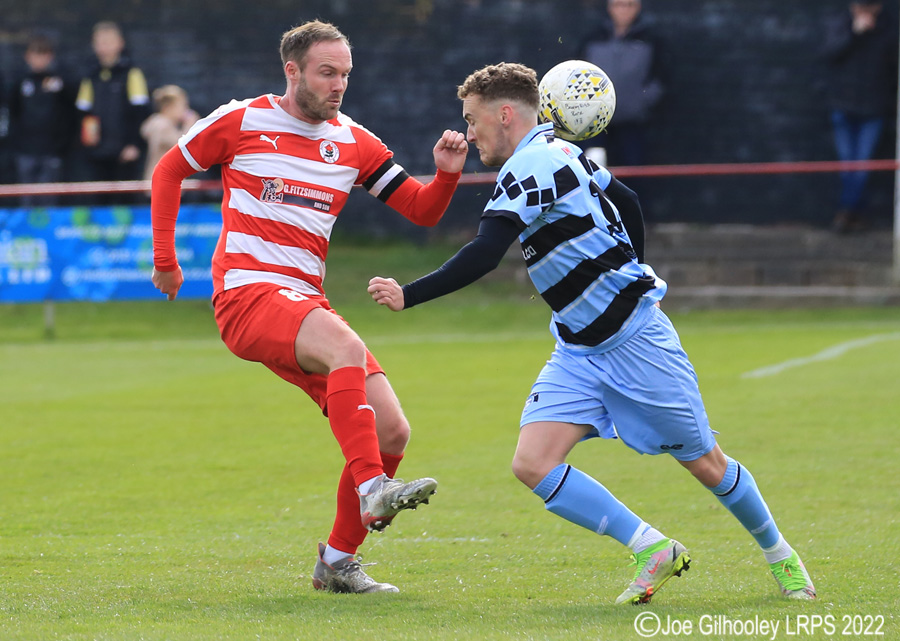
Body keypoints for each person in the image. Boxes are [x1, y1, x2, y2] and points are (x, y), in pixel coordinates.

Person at [368, 62, 816, 604]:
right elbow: (627, 202)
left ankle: (781, 557)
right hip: (578, 350)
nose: (468, 132)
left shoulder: (529, 166)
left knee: (706, 463)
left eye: (471, 119)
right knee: (532, 463)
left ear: (504, 114)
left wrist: (407, 294)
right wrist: (633, 268)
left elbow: (486, 253)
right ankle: (652, 548)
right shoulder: (564, 153)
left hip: (636, 343)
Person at [150, 20, 468, 594]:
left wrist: (446, 175)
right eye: (327, 72)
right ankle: (372, 487)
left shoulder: (355, 141)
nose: (339, 84)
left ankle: (338, 562)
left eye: (346, 73)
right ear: (292, 71)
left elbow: (420, 211)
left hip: (304, 300)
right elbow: (170, 169)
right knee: (346, 349)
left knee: (393, 430)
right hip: (247, 293)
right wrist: (166, 260)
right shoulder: (242, 119)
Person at [822, 1, 898, 233]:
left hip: (873, 109)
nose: (864, 12)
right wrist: (855, 34)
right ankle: (852, 214)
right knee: (848, 166)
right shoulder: (841, 23)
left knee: (862, 166)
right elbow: (829, 54)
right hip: (843, 108)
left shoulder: (890, 28)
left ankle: (847, 213)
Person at [577, 0, 664, 167]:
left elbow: (661, 77)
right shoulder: (592, 38)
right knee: (591, 170)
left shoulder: (652, 40)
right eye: (619, 4)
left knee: (633, 173)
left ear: (637, 7)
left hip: (633, 122)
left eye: (629, 5)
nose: (623, 10)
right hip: (595, 122)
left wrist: (641, 103)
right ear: (610, 7)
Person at [76, 21, 150, 186]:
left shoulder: (132, 73)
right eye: (100, 43)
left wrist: (133, 144)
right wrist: (89, 143)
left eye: (108, 42)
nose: (104, 48)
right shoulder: (90, 75)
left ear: (120, 43)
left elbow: (140, 111)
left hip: (125, 153)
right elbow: (84, 111)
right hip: (97, 154)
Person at [7, 33, 79, 205]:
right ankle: (26, 232)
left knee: (49, 198)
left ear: (50, 57)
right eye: (35, 55)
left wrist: (60, 86)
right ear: (28, 57)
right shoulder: (19, 81)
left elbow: (71, 109)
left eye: (43, 55)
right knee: (27, 198)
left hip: (52, 150)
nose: (39, 60)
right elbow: (13, 110)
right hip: (25, 150)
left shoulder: (61, 80)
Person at [140, 85, 199, 182]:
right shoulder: (162, 125)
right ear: (168, 107)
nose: (186, 110)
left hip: (160, 179)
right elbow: (183, 146)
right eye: (183, 105)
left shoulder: (158, 122)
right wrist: (190, 125)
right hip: (163, 180)